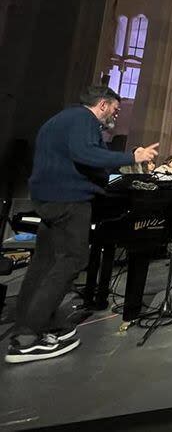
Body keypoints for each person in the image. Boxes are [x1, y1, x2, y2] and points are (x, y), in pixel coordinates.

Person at [7, 85, 158, 364]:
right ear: (103, 104)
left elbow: (83, 158)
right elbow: (86, 154)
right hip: (69, 201)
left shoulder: (62, 120)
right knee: (73, 259)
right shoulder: (83, 120)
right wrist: (131, 157)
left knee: (44, 263)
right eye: (115, 108)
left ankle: (28, 325)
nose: (116, 113)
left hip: (50, 199)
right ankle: (27, 338)